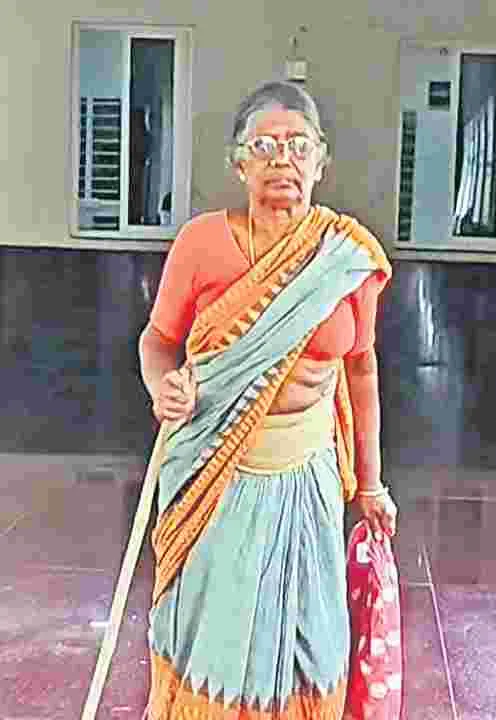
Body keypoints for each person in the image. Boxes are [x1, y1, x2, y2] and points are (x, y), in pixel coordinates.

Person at [137, 80, 396, 718]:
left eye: (298, 145)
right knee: (215, 643)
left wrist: (370, 484)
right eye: (265, 145)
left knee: (314, 643)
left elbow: (361, 370)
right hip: (216, 476)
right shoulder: (201, 244)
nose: (283, 158)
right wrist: (163, 385)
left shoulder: (346, 257)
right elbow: (157, 341)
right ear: (239, 162)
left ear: (320, 160)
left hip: (308, 475)